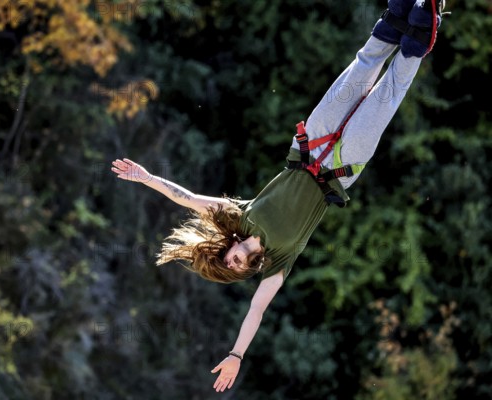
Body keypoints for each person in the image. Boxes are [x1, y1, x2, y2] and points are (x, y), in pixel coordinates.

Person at [111, 0, 447, 393]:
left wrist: (148, 178)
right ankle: (427, 19)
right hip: (341, 169)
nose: (235, 262)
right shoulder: (277, 265)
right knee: (388, 92)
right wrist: (236, 355)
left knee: (363, 66)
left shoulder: (240, 217)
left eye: (229, 259)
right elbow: (255, 312)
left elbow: (187, 199)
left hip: (309, 146)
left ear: (228, 248)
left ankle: (403, 10)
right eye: (236, 268)